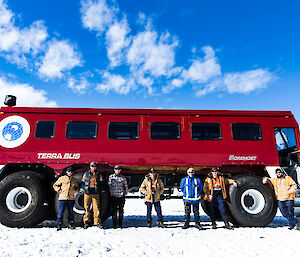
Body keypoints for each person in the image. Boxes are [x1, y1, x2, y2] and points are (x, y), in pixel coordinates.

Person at [53, 167, 79, 231]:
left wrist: (76, 191)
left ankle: (71, 224)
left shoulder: (74, 180)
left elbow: (77, 187)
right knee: (61, 211)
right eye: (69, 171)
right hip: (63, 197)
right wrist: (59, 190)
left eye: (71, 172)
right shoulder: (62, 178)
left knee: (70, 212)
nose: (70, 173)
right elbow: (55, 185)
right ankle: (59, 224)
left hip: (71, 198)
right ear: (66, 172)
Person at [82, 161, 104, 229]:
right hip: (88, 192)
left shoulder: (98, 174)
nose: (93, 168)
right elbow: (83, 182)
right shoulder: (86, 174)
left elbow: (101, 182)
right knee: (86, 208)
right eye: (92, 166)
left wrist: (99, 190)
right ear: (90, 167)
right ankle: (86, 222)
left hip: (95, 192)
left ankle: (97, 222)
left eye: (94, 166)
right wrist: (84, 189)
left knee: (96, 208)